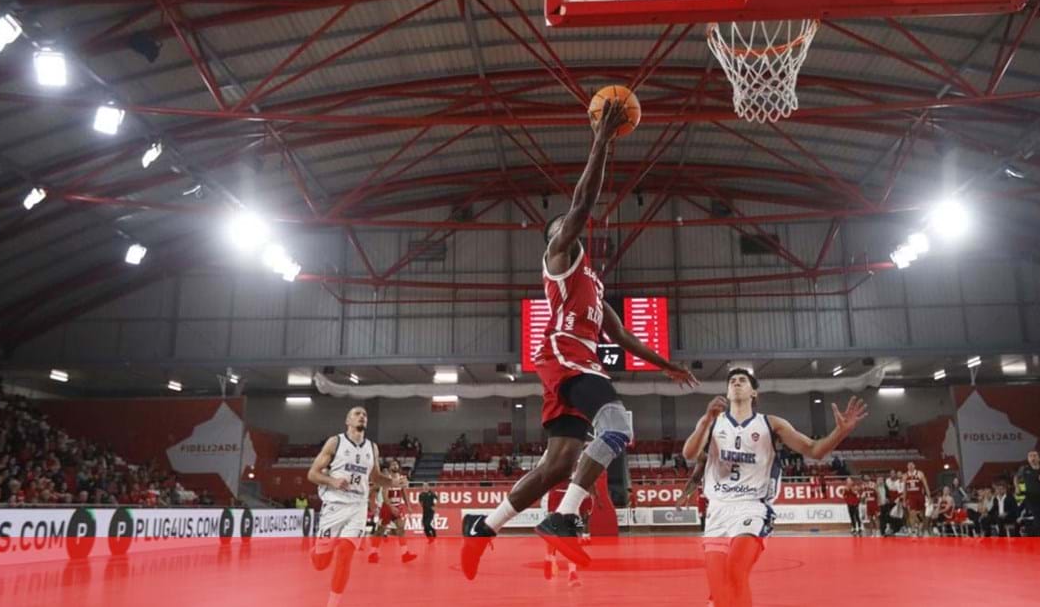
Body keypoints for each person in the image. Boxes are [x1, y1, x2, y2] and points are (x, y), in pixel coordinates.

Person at [460, 99, 699, 578]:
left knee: (557, 464)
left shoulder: (594, 285)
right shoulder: (559, 258)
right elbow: (583, 204)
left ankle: (484, 527)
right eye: (562, 226)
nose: (569, 227)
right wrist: (601, 141)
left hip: (571, 364)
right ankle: (564, 516)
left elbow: (624, 335)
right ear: (557, 236)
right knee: (618, 426)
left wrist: (667, 364)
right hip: (566, 358)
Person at [681, 369, 866, 607]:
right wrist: (705, 421)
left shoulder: (771, 424)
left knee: (736, 572)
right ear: (727, 392)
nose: (736, 383)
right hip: (717, 511)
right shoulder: (712, 421)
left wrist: (840, 432)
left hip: (752, 508)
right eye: (732, 381)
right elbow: (689, 453)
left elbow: (814, 450)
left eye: (742, 380)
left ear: (753, 392)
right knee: (720, 591)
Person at [306, 406, 398, 607]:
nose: (362, 416)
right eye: (357, 414)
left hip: (357, 507)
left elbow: (375, 478)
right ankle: (317, 551)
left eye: (365, 414)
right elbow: (312, 474)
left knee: (345, 555)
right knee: (321, 564)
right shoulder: (335, 442)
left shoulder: (372, 447)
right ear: (348, 421)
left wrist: (393, 482)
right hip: (334, 506)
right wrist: (332, 481)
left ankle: (333, 604)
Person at [367, 459, 417, 563]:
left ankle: (405, 554)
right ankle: (372, 553)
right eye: (392, 465)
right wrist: (391, 507)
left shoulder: (401, 478)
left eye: (396, 464)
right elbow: (385, 496)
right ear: (389, 468)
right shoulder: (387, 479)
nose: (395, 466)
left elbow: (404, 492)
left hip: (397, 506)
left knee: (401, 529)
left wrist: (409, 506)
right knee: (380, 531)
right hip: (387, 507)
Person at [1014, 450, 1040, 536]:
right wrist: (1017, 487)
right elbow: (1016, 477)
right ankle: (1037, 543)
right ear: (1028, 459)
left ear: (1039, 458)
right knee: (1036, 521)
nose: (1033, 458)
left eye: (1035, 456)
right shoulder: (1024, 469)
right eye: (1030, 456)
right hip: (1031, 498)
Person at [901, 462, 930, 536]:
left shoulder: (920, 473)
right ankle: (913, 531)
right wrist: (904, 500)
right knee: (912, 514)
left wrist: (929, 496)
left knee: (922, 514)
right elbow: (904, 489)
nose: (910, 466)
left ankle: (922, 530)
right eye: (909, 465)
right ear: (907, 467)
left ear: (914, 466)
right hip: (911, 496)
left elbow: (926, 485)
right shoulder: (905, 475)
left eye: (911, 465)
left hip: (920, 495)